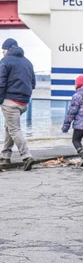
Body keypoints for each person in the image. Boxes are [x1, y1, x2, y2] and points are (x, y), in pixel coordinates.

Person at [0, 38, 36, 170]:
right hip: (24, 102)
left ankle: (27, 156)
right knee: (9, 127)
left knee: (14, 129)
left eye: (3, 50)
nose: (2, 52)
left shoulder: (5, 61)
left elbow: (1, 82)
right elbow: (33, 83)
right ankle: (5, 155)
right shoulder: (27, 62)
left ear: (7, 49)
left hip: (10, 102)